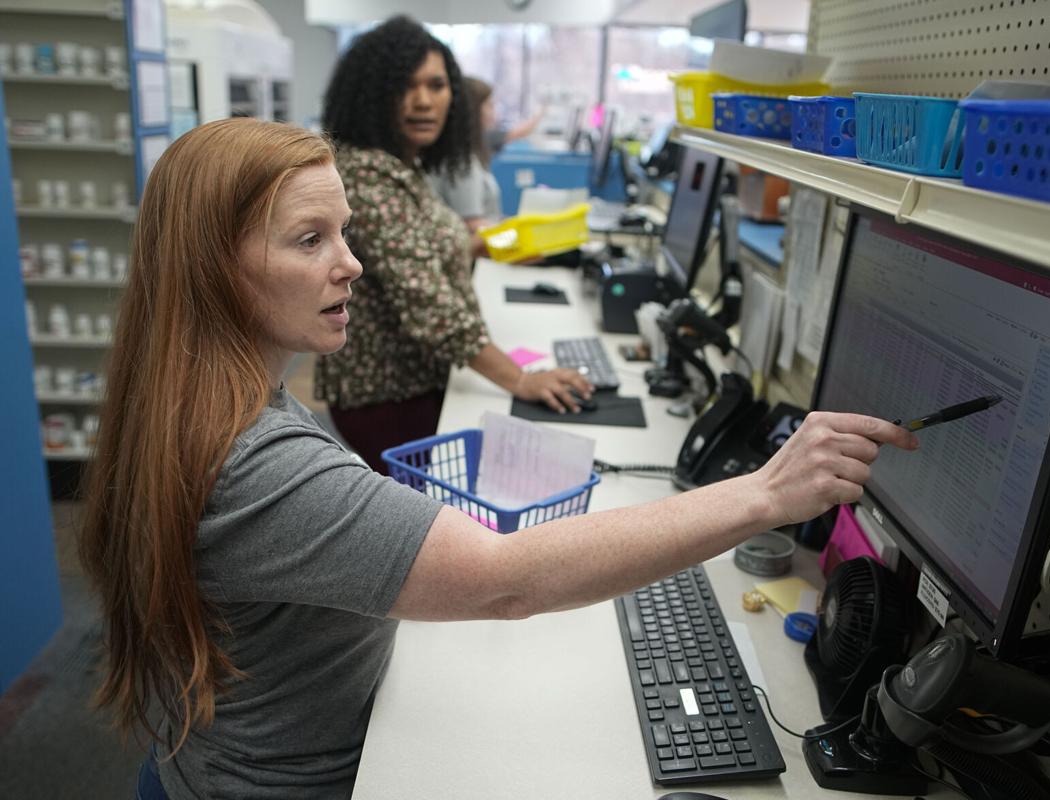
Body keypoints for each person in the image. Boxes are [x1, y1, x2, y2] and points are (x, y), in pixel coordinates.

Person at [78, 116, 916, 800]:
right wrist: (764, 494)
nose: (351, 263)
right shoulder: (255, 463)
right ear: (214, 268)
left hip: (219, 759)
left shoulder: (199, 394)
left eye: (343, 232)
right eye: (309, 240)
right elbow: (505, 579)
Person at [316, 17, 589, 474]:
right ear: (371, 93)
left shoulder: (402, 166)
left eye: (437, 85)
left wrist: (493, 245)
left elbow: (429, 244)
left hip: (419, 385)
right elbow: (430, 304)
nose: (424, 100)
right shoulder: (367, 176)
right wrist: (521, 379)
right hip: (390, 396)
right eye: (405, 85)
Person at [427, 76, 503, 232]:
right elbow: (471, 223)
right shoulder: (461, 161)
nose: (493, 112)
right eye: (489, 105)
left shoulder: (462, 155)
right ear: (473, 110)